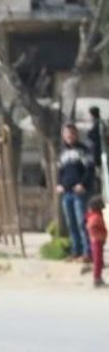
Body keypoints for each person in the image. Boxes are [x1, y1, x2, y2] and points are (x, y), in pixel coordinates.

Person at [56, 123, 94, 263]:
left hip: (80, 192)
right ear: (63, 136)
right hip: (66, 192)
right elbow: (60, 171)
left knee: (81, 223)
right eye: (66, 134)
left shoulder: (84, 150)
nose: (69, 136)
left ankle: (87, 252)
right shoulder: (62, 152)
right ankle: (75, 252)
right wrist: (59, 184)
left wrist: (83, 184)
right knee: (71, 224)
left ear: (76, 134)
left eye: (71, 133)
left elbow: (90, 170)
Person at [88, 197, 107, 287]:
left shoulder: (95, 215)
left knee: (99, 260)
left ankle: (98, 278)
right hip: (97, 240)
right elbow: (92, 226)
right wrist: (98, 235)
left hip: (98, 240)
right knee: (98, 261)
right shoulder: (95, 216)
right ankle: (97, 279)